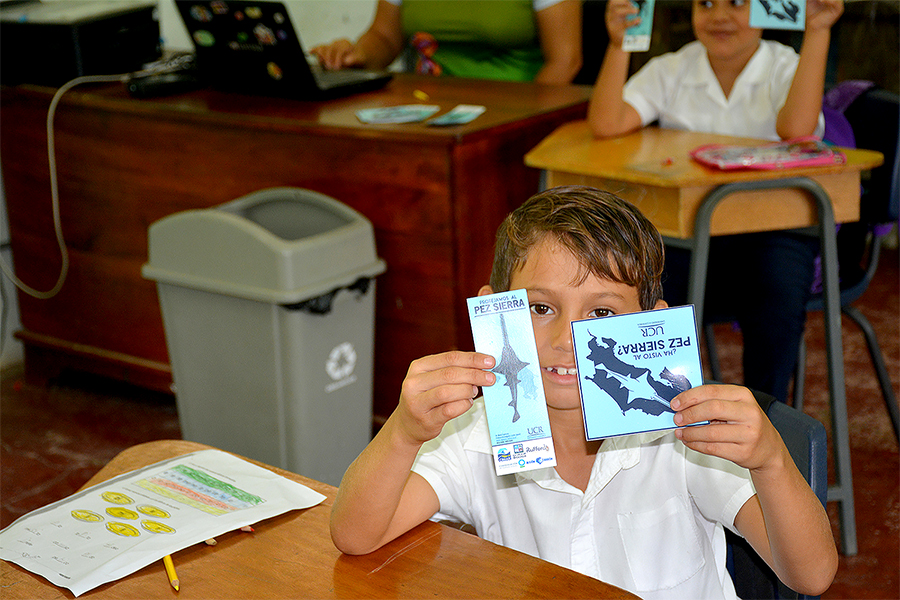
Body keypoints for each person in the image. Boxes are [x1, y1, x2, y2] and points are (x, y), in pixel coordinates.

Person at [330, 185, 837, 599]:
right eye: (540, 308)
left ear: (650, 327)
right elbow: (356, 535)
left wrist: (771, 460)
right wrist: (401, 431)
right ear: (493, 312)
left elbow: (810, 576)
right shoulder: (472, 434)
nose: (565, 341)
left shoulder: (683, 435)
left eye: (601, 313)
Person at [588, 0, 845, 403]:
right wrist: (620, 44)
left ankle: (766, 418)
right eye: (705, 3)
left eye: (737, 3)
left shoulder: (785, 64)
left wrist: (817, 31)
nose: (719, 16)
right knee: (635, 288)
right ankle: (659, 414)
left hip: (773, 232)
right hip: (689, 236)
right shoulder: (672, 67)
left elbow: (796, 131)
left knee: (776, 301)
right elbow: (606, 123)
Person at [310, 0, 582, 84]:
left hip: (512, 120)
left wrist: (524, 125)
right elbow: (384, 37)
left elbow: (565, 61)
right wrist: (354, 54)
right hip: (426, 115)